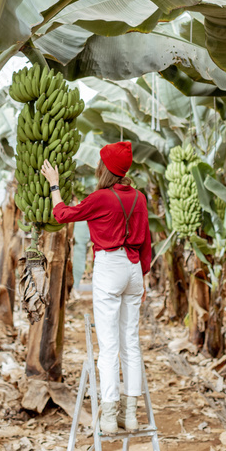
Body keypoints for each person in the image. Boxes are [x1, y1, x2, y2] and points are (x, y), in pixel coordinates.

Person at [41, 141, 151, 433]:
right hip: (134, 269)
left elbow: (62, 215)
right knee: (131, 343)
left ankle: (108, 416)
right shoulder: (139, 198)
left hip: (110, 266)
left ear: (106, 169)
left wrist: (54, 186)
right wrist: (139, 276)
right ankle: (129, 415)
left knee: (109, 345)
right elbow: (148, 245)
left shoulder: (101, 197)